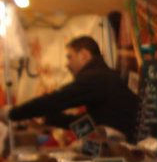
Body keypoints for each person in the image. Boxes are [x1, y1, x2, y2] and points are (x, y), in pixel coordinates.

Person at [0, 36, 140, 143]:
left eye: (70, 57)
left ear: (84, 55)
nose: (67, 64)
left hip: (125, 147)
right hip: (122, 144)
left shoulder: (96, 78)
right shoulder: (104, 77)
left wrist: (13, 113)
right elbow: (90, 123)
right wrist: (48, 119)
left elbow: (57, 100)